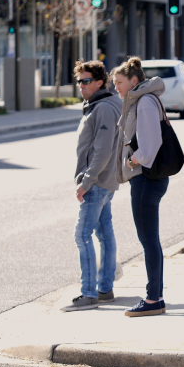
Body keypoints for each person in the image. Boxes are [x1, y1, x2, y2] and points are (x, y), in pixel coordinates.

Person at [61, 60, 123, 312]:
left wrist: (86, 181)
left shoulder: (105, 108)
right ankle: (105, 289)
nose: (81, 86)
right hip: (103, 181)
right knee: (104, 234)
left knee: (82, 234)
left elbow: (102, 150)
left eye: (86, 81)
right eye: (79, 81)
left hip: (97, 181)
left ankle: (89, 293)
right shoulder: (98, 105)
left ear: (100, 82)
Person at [113, 57, 170, 318]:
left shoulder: (144, 102)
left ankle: (153, 298)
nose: (117, 88)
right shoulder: (141, 100)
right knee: (150, 239)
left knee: (148, 240)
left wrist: (132, 158)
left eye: (119, 82)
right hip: (147, 178)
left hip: (146, 177)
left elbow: (151, 144)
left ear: (134, 81)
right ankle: (154, 296)